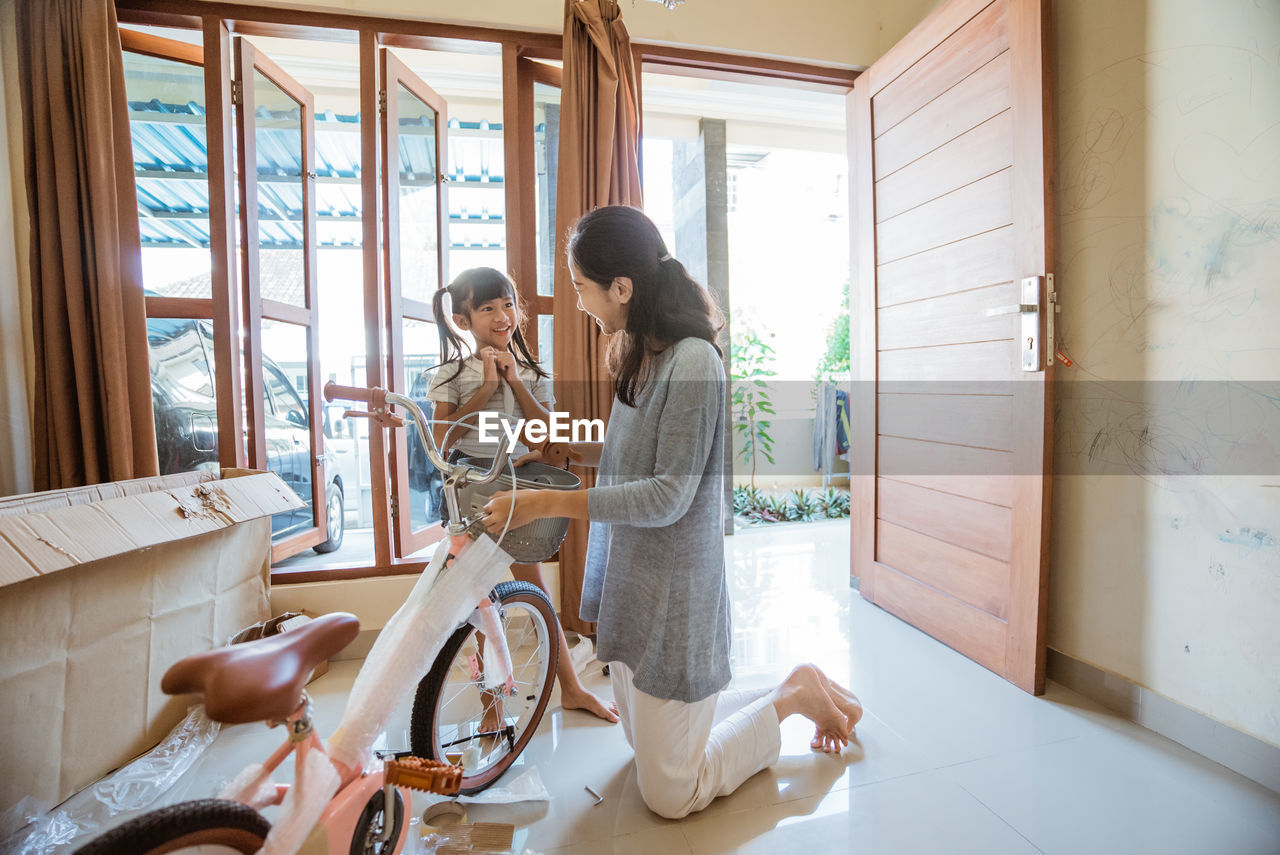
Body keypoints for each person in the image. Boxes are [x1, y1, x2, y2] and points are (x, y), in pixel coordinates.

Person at [479, 206, 863, 820]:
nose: (578, 302)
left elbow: (667, 495)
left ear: (621, 288)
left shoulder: (692, 362)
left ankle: (791, 697)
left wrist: (551, 502)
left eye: (582, 287)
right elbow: (629, 450)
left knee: (670, 794)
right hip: (634, 576)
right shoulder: (642, 352)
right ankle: (791, 685)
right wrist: (569, 451)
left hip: (672, 589)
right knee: (644, 745)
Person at [427, 267, 619, 724]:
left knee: (535, 591)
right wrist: (488, 390)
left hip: (513, 482)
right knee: (481, 599)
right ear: (462, 319)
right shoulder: (450, 373)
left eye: (508, 304)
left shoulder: (531, 372)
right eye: (487, 307)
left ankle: (571, 688)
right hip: (469, 487)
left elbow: (547, 436)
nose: (501, 315)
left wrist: (513, 383)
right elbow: (442, 439)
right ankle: (492, 706)